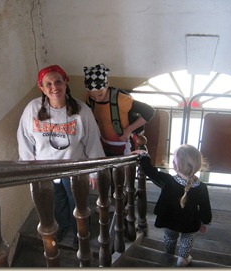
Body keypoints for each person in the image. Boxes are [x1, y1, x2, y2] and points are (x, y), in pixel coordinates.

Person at [17, 64, 105, 249]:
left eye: (58, 81)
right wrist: (29, 169)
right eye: (48, 84)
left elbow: (92, 142)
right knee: (56, 203)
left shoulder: (81, 111)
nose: (54, 87)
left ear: (66, 83)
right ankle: (64, 227)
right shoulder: (33, 109)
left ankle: (81, 233)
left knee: (78, 204)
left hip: (74, 169)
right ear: (41, 87)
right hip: (46, 170)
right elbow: (24, 140)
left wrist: (95, 172)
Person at [83, 63, 155, 203]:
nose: (97, 98)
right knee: (107, 175)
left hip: (123, 144)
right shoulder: (89, 98)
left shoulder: (122, 100)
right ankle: (110, 203)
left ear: (107, 84)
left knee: (122, 178)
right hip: (103, 144)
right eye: (93, 96)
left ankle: (123, 204)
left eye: (100, 95)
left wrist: (128, 130)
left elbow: (149, 111)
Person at [132, 145, 212, 267]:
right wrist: (204, 222)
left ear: (176, 166)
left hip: (170, 220)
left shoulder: (168, 181)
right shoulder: (201, 188)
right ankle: (182, 259)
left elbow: (151, 171)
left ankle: (169, 253)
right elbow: (205, 209)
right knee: (187, 238)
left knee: (170, 236)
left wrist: (144, 155)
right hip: (190, 222)